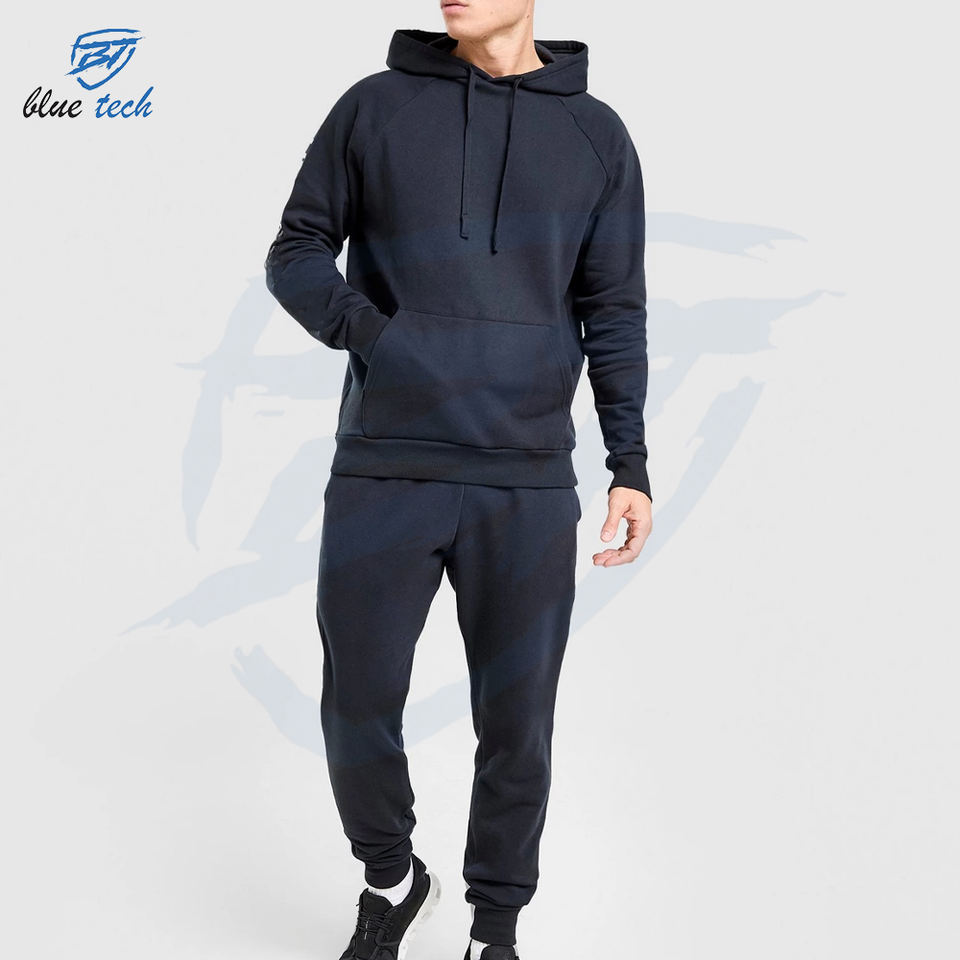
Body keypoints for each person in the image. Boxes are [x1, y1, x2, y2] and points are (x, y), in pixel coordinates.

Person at [264, 2, 653, 957]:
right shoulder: (375, 107)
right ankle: (392, 878)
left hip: (527, 480)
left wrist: (630, 464)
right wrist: (379, 339)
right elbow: (296, 251)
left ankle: (495, 931)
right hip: (385, 466)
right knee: (356, 705)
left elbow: (613, 308)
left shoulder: (597, 136)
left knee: (517, 724)